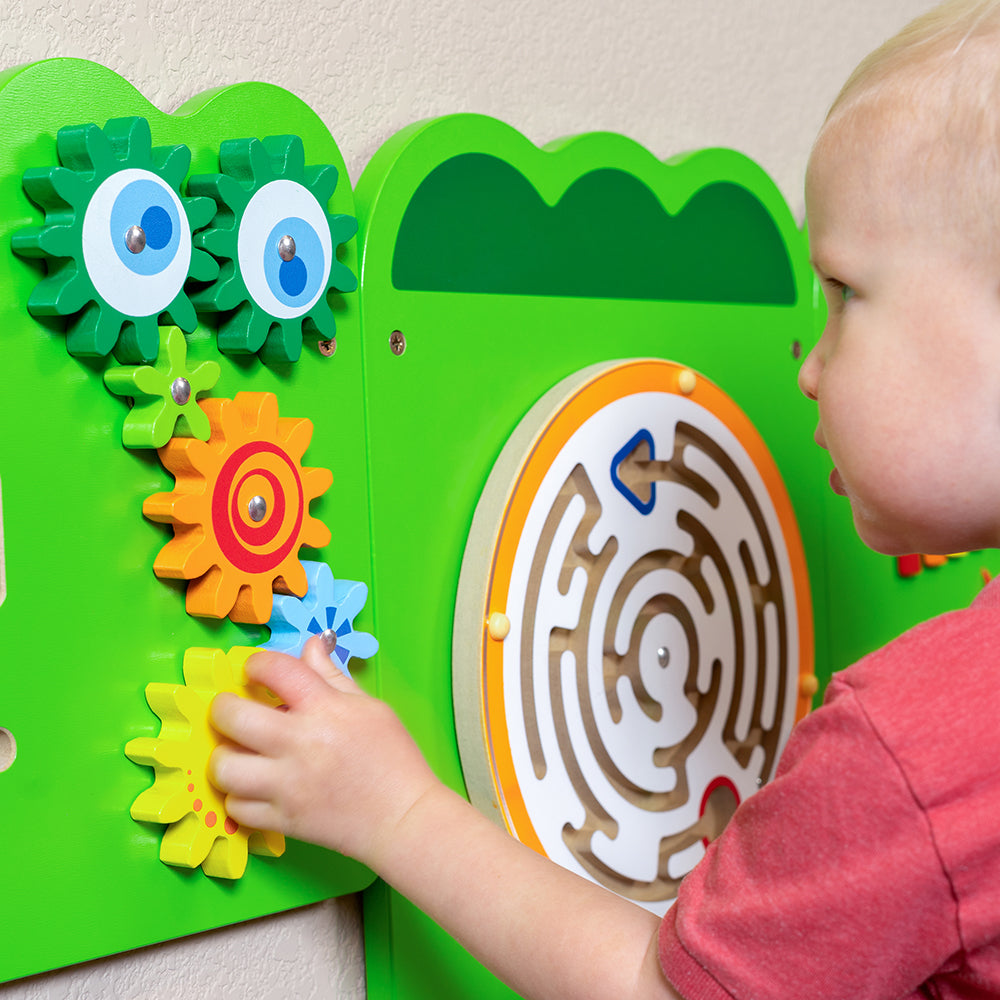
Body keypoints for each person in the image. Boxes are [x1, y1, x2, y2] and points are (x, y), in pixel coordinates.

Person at [208, 1, 1000, 995]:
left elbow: (658, 990)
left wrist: (396, 812)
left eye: (843, 291)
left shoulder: (915, 747)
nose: (809, 368)